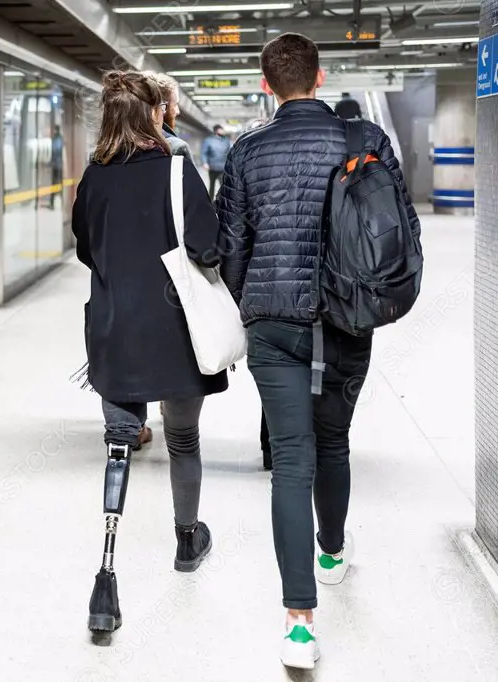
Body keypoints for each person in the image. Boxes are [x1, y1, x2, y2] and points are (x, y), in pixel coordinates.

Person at [216, 34, 419, 669]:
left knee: (293, 461)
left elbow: (231, 248)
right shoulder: (364, 141)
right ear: (321, 77)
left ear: (267, 85)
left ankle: (298, 623)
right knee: (333, 443)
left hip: (273, 322)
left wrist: (248, 298)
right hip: (347, 318)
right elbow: (401, 230)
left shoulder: (247, 150)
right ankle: (332, 551)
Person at [73, 70, 227, 636]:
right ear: (153, 116)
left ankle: (106, 578)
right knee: (182, 438)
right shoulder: (177, 171)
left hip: (115, 331)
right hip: (176, 330)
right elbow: (209, 246)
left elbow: (86, 249)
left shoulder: (93, 176)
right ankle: (188, 541)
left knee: (119, 446)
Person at [152, 73, 194, 163]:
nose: (178, 111)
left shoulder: (117, 141)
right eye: (175, 105)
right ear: (162, 107)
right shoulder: (177, 147)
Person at [200, 124, 231, 201]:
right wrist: (205, 163)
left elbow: (230, 152)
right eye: (221, 129)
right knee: (212, 185)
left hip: (223, 167)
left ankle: (222, 201)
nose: (223, 131)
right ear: (216, 131)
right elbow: (204, 153)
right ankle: (210, 201)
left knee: (223, 186)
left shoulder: (226, 141)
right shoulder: (208, 140)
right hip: (212, 167)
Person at [49, 124, 64, 208]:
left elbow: (55, 150)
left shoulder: (56, 139)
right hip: (57, 165)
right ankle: (53, 204)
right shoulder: (58, 139)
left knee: (55, 184)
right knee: (57, 184)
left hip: (57, 165)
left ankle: (54, 204)